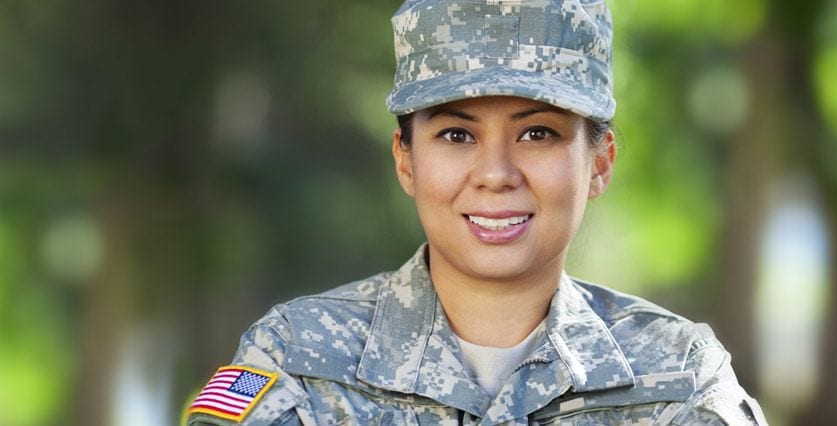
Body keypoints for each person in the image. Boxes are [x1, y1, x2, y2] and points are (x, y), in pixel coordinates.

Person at [187, 0, 767, 424]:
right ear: (407, 161)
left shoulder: (679, 377)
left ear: (599, 163)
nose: (496, 173)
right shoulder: (297, 359)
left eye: (538, 133)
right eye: (457, 135)